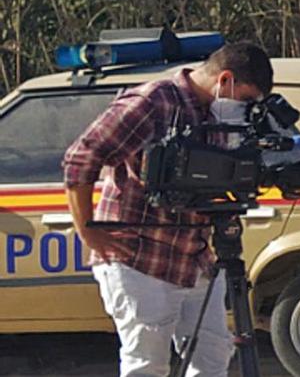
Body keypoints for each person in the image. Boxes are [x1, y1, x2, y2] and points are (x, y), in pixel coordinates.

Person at [62, 41, 274, 377]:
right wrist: (87, 229)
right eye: (246, 99)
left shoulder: (222, 116)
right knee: (147, 365)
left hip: (196, 258)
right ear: (225, 80)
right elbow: (81, 157)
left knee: (213, 356)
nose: (246, 108)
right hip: (139, 255)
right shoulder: (154, 102)